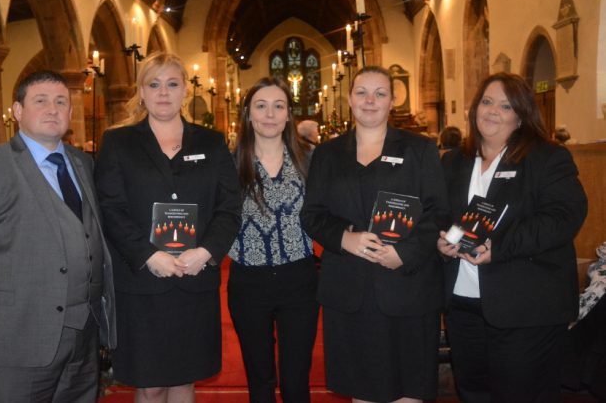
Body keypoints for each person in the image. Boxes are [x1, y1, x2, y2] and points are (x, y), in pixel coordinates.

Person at [0, 70, 116, 403]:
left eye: (61, 101)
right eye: (41, 101)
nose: (53, 109)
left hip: (83, 332)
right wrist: (6, 278)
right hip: (18, 331)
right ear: (18, 111)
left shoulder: (81, 162)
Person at [95, 52, 242, 403]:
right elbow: (110, 209)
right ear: (141, 92)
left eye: (172, 84)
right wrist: (148, 255)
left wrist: (206, 252)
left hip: (194, 277)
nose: (163, 93)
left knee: (183, 381)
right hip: (142, 282)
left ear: (185, 92)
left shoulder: (211, 142)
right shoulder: (119, 143)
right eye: (154, 84)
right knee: (150, 384)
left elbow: (229, 207)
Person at [436, 72, 588, 403]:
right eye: (487, 102)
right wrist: (443, 242)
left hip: (526, 306)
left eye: (505, 106)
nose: (492, 111)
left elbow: (563, 218)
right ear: (475, 107)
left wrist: (500, 248)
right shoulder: (456, 161)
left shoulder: (547, 157)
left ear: (521, 114)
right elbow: (444, 217)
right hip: (464, 304)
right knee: (473, 392)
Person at [301, 65, 448, 403]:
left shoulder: (420, 150)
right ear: (349, 99)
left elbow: (438, 211)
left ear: (392, 101)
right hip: (350, 290)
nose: (370, 101)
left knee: (408, 391)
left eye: (380, 93)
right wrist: (344, 238)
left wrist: (405, 253)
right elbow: (312, 215)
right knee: (363, 391)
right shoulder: (327, 154)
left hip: (407, 286)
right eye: (362, 93)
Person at [228, 77, 319, 402]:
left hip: (300, 280)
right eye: (261, 106)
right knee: (260, 379)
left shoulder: (310, 159)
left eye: (278, 106)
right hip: (248, 282)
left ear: (288, 115)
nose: (270, 114)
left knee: (297, 380)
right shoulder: (229, 162)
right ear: (249, 114)